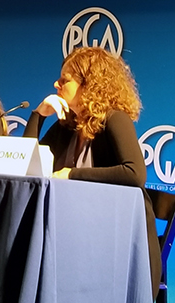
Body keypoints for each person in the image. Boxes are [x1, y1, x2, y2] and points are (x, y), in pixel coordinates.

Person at [21, 47, 156, 295]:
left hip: (117, 243)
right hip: (75, 233)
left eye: (65, 80)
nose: (56, 84)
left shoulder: (115, 119)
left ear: (89, 85)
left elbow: (135, 173)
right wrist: (39, 115)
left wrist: (71, 174)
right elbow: (26, 162)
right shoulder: (67, 125)